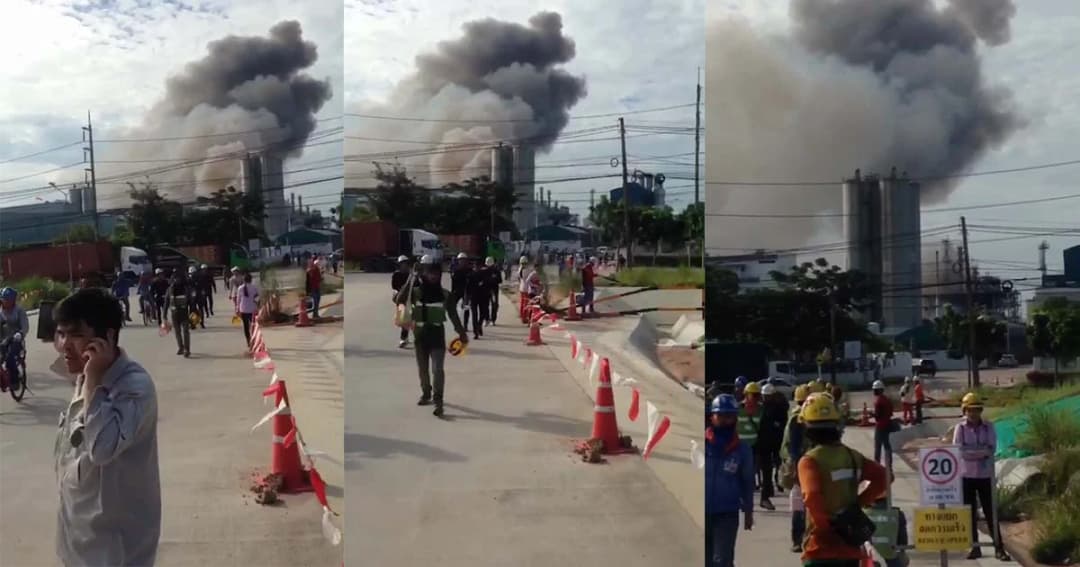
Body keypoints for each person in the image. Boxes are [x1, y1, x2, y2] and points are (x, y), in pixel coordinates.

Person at [52, 287, 160, 566]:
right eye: (60, 334)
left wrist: (93, 379)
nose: (64, 344)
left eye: (75, 334)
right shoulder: (83, 376)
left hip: (115, 549)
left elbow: (101, 449)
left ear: (107, 337)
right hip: (77, 540)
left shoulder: (133, 387)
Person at [797, 392, 889, 566]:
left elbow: (811, 495)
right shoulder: (852, 456)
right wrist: (858, 504)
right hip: (849, 546)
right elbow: (885, 476)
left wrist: (825, 527)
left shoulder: (809, 461)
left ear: (807, 428)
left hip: (820, 549)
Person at [395, 255, 467, 418]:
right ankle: (426, 393)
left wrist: (461, 333)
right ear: (424, 275)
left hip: (437, 337)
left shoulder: (445, 295)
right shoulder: (416, 292)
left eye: (437, 274)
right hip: (420, 337)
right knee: (423, 371)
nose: (434, 276)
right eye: (430, 273)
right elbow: (399, 300)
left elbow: (454, 315)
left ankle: (438, 400)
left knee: (437, 370)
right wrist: (411, 278)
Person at [953, 393, 1012, 561]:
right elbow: (959, 451)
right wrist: (980, 451)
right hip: (967, 476)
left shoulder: (988, 427)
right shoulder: (961, 428)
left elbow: (991, 449)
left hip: (985, 475)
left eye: (977, 410)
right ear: (965, 411)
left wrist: (973, 451)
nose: (974, 413)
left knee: (990, 512)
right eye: (970, 410)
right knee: (970, 514)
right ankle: (974, 547)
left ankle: (999, 548)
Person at [705, 393, 755, 567]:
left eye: (730, 416)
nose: (726, 420)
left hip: (726, 513)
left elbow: (748, 481)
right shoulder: (701, 444)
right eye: (722, 416)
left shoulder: (742, 450)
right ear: (712, 417)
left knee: (722, 560)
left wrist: (749, 511)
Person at [780, 384, 812, 553]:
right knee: (801, 506)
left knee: (800, 506)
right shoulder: (798, 419)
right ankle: (799, 539)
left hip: (799, 467)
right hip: (800, 468)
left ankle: (800, 540)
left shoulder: (796, 417)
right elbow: (793, 447)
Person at [758, 383, 788, 510]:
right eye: (764, 396)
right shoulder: (762, 407)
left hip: (775, 442)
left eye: (767, 396)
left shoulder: (779, 407)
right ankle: (766, 494)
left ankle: (777, 483)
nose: (765, 398)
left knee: (777, 464)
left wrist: (775, 425)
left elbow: (782, 423)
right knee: (767, 469)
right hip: (765, 443)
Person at [0, 287, 30, 390]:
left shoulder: (19, 311)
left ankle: (15, 380)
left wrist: (21, 333)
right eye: (4, 299)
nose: (6, 302)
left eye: (8, 299)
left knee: (10, 358)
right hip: (3, 339)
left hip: (16, 339)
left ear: (13, 300)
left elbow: (25, 325)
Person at [738, 381, 763, 494]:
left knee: (752, 467)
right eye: (753, 395)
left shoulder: (761, 410)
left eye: (757, 395)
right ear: (746, 394)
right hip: (739, 444)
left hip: (754, 444)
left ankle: (750, 484)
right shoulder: (738, 408)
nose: (755, 398)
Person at [165, 268, 195, 357]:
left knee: (185, 331)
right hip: (174, 314)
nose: (177, 280)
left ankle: (187, 349)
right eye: (175, 278)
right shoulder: (170, 289)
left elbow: (191, 302)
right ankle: (180, 347)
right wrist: (164, 315)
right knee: (177, 332)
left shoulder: (186, 289)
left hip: (184, 313)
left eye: (178, 278)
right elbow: (166, 302)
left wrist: (193, 313)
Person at [872, 379, 894, 472]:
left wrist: (871, 414)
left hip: (880, 426)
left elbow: (877, 416)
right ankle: (889, 466)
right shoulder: (886, 399)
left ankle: (877, 466)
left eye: (875, 390)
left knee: (878, 447)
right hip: (888, 425)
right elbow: (890, 412)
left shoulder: (879, 401)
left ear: (879, 390)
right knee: (887, 446)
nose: (874, 391)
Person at [391, 255, 413, 348]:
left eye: (405, 264)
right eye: (402, 264)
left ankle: (405, 338)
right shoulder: (396, 274)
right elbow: (394, 286)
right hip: (401, 299)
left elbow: (417, 285)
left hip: (411, 298)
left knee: (412, 318)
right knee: (404, 319)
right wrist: (399, 293)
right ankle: (404, 338)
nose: (404, 266)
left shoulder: (411, 274)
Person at [466, 259, 490, 339]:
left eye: (478, 266)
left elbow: (488, 285)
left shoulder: (485, 274)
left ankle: (479, 325)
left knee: (482, 314)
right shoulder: (470, 275)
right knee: (474, 315)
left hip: (483, 297)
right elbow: (467, 288)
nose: (476, 268)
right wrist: (467, 298)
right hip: (473, 297)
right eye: (475, 266)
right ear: (474, 267)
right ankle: (475, 332)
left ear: (481, 267)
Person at [235, 273, 260, 349]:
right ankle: (254, 340)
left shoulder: (240, 288)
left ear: (244, 280)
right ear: (251, 280)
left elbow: (238, 300)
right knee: (253, 326)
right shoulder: (254, 287)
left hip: (243, 310)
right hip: (252, 309)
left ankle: (248, 341)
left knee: (246, 327)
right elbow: (257, 299)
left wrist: (237, 309)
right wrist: (257, 307)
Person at [451, 253, 473, 333]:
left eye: (463, 260)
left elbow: (472, 282)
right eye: (460, 260)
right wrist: (452, 292)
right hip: (457, 291)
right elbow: (453, 283)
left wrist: (470, 293)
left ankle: (465, 325)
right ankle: (457, 324)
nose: (462, 262)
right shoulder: (456, 270)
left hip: (466, 291)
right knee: (452, 308)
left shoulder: (469, 270)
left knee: (466, 308)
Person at [483, 256, 503, 325]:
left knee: (494, 305)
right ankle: (487, 319)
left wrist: (494, 279)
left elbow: (500, 280)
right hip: (485, 291)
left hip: (494, 291)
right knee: (485, 305)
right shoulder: (484, 271)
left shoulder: (496, 271)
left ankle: (493, 319)